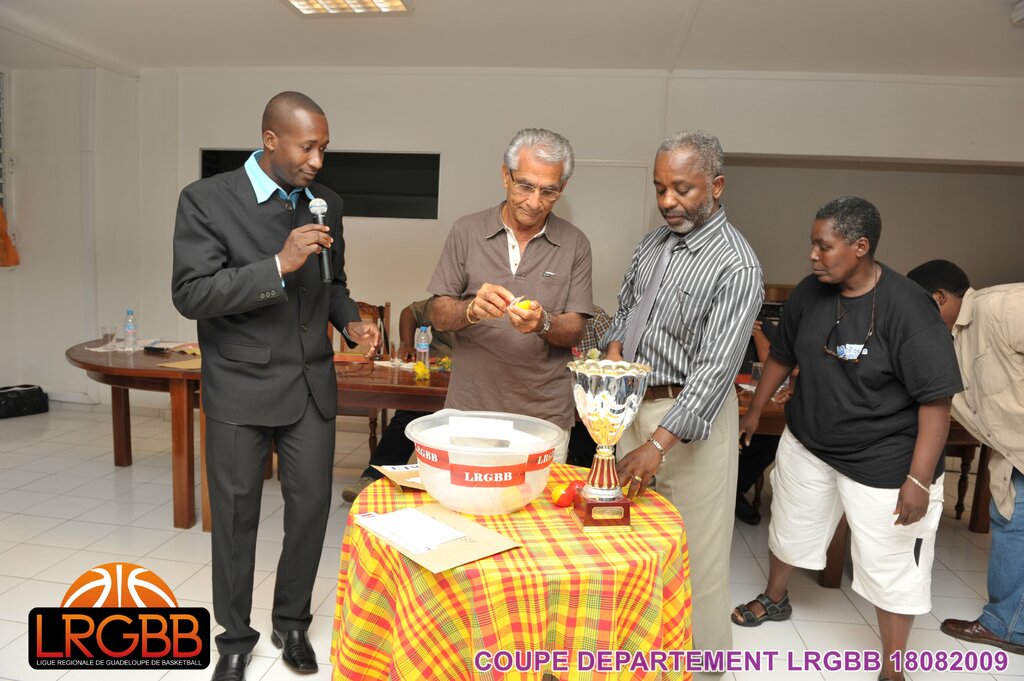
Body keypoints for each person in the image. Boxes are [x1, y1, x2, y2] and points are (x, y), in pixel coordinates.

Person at [172, 91, 380, 681]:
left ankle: (291, 624)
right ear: (270, 139)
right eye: (307, 147)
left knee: (310, 512)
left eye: (324, 148)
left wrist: (351, 321)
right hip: (239, 388)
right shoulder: (206, 200)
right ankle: (234, 639)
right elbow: (191, 294)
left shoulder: (326, 203)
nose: (318, 161)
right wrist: (277, 265)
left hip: (311, 388)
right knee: (236, 520)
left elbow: (333, 283)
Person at [732, 197, 962, 681]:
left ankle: (893, 669)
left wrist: (919, 480)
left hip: (885, 458)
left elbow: (936, 403)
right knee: (790, 529)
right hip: (810, 442)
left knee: (892, 566)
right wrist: (754, 412)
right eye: (812, 244)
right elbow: (782, 355)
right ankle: (775, 598)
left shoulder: (909, 308)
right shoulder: (809, 293)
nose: (813, 255)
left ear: (860, 246)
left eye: (824, 246)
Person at [603, 130, 763, 675]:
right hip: (633, 408)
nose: (667, 201)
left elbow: (716, 370)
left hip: (689, 425)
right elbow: (625, 309)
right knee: (633, 551)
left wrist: (657, 445)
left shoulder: (737, 265)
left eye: (682, 189)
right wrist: (616, 348)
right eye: (659, 188)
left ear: (716, 186)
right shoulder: (652, 244)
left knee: (694, 562)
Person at [428, 128, 593, 461]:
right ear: (506, 175)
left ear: (562, 188)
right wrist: (471, 310)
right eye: (525, 186)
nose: (534, 202)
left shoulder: (575, 243)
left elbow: (575, 328)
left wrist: (543, 323)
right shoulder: (466, 231)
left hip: (544, 417)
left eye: (548, 191)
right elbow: (438, 314)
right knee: (470, 495)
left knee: (539, 498)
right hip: (470, 412)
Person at [906, 259, 1024, 655]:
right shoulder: (947, 340)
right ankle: (1009, 624)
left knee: (1014, 525)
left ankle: (1007, 626)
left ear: (939, 298)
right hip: (1014, 452)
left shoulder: (1002, 306)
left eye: (919, 305)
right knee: (1010, 521)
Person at [341, 297, 453, 502]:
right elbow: (410, 313)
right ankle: (375, 477)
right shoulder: (448, 299)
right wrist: (408, 344)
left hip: (480, 380)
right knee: (409, 414)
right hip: (438, 373)